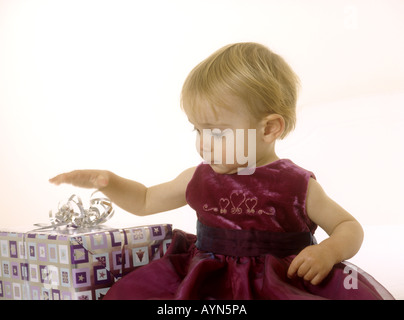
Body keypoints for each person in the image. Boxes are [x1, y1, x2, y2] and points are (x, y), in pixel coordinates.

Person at [50, 42, 394, 299]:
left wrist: (327, 251)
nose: (203, 143)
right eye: (197, 130)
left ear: (269, 128)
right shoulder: (199, 178)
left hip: (279, 283)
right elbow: (144, 200)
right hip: (208, 282)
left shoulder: (296, 185)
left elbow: (349, 227)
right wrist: (109, 182)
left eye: (216, 131)